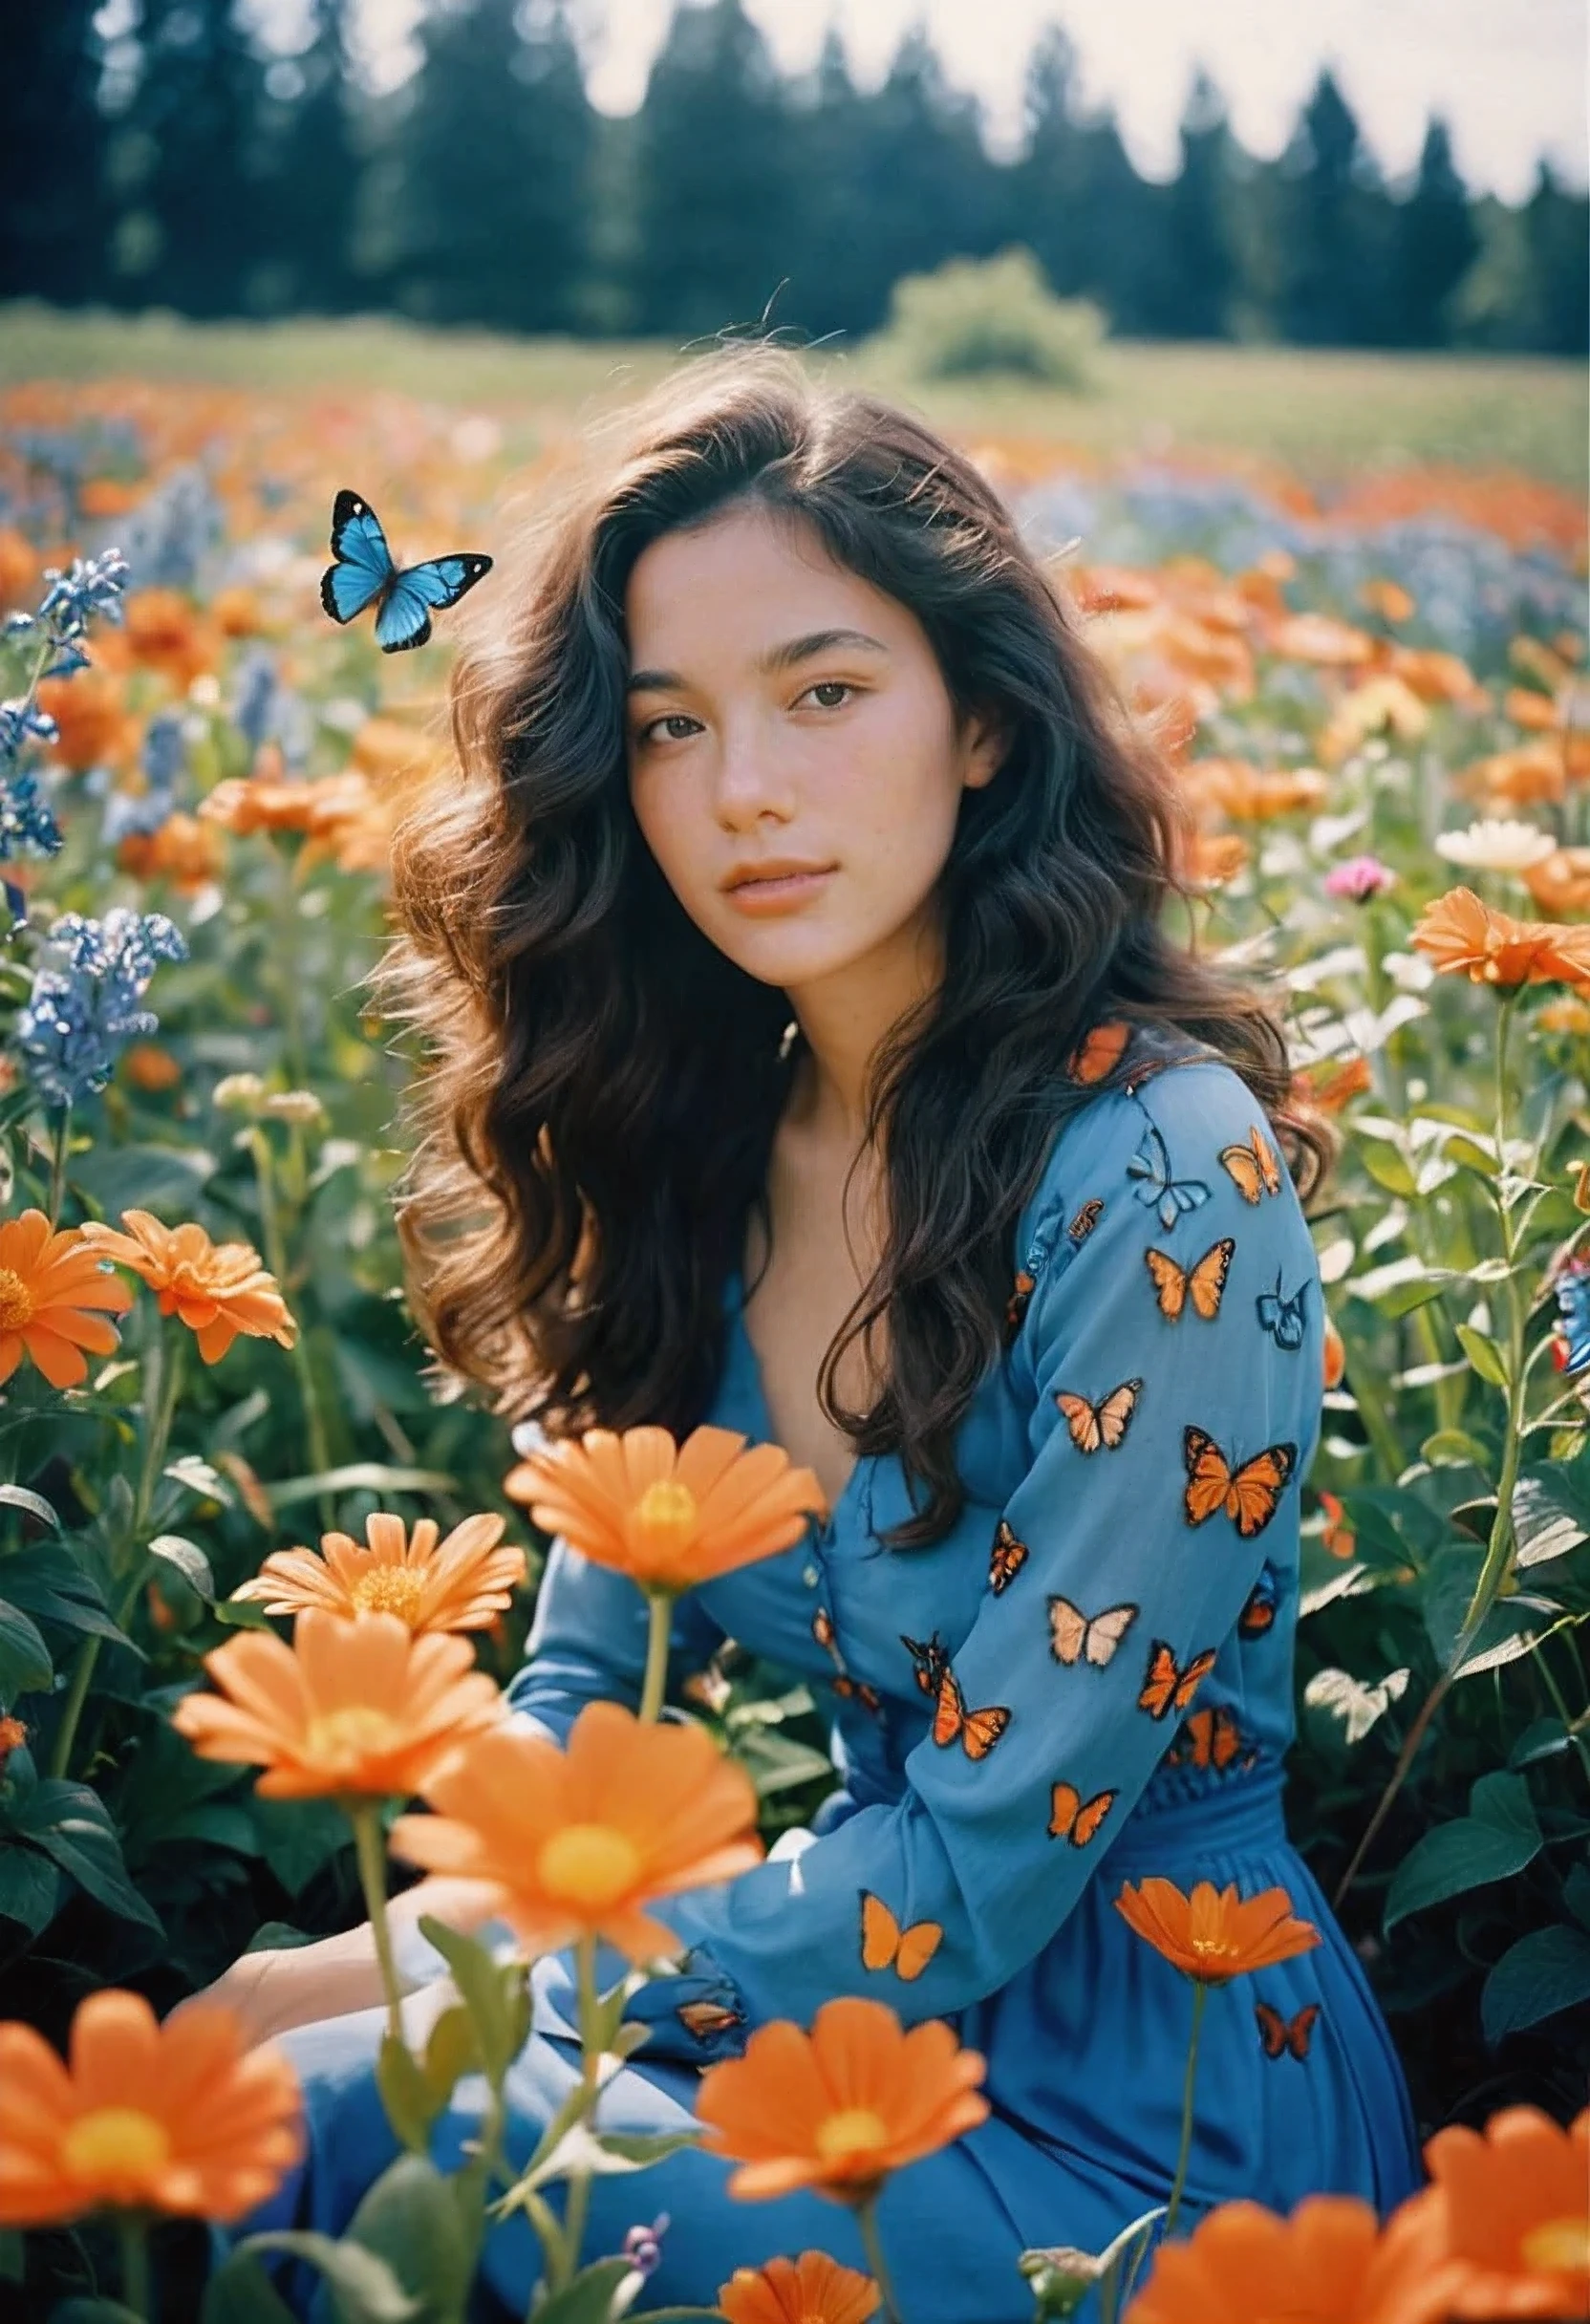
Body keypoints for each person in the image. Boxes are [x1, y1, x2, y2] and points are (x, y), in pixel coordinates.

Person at [202, 345, 1422, 2320]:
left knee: (340, 2111)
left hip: (1152, 2141)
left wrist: (399, 1996)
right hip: (804, 2028)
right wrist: (350, 1957)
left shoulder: (1164, 1171)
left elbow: (975, 1866)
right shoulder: (702, 1140)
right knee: (264, 2071)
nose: (742, 791)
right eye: (669, 726)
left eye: (825, 692)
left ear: (983, 727)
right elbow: (583, 1727)